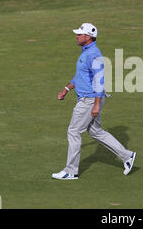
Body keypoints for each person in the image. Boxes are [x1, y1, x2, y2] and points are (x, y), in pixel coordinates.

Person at [52, 23, 136, 180]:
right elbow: (81, 76)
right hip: (89, 98)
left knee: (74, 131)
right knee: (95, 131)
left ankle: (71, 171)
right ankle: (127, 156)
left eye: (79, 34)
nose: (76, 36)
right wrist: (67, 88)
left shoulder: (93, 55)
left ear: (88, 37)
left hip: (89, 100)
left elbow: (99, 80)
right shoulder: (86, 53)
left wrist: (96, 104)